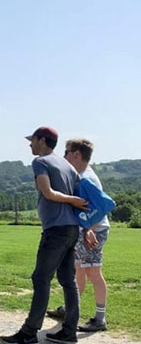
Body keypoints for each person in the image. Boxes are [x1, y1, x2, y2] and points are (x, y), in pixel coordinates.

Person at [0, 127, 88, 344]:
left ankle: (29, 333)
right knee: (68, 281)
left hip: (56, 229)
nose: (30, 144)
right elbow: (81, 191)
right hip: (72, 228)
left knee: (41, 279)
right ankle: (69, 332)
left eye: (33, 140)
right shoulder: (67, 165)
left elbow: (48, 193)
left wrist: (71, 200)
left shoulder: (41, 162)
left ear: (43, 140)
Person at [46, 139, 109, 332]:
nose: (64, 156)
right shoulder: (80, 174)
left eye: (67, 152)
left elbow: (101, 206)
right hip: (86, 230)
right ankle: (70, 309)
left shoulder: (87, 178)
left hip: (94, 230)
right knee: (79, 270)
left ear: (77, 154)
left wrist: (90, 229)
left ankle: (100, 318)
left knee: (93, 272)